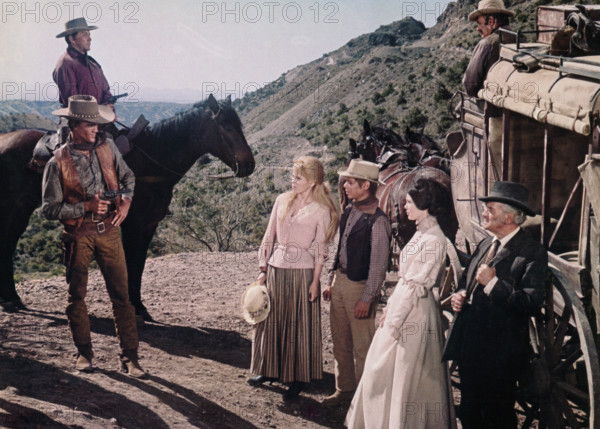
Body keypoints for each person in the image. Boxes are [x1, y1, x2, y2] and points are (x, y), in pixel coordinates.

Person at [41, 95, 146, 378]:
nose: (96, 130)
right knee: (77, 297)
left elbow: (127, 179)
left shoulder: (108, 147)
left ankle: (130, 358)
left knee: (123, 297)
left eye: (97, 125)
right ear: (74, 125)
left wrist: (124, 201)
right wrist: (84, 207)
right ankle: (84, 353)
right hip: (78, 236)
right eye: (90, 126)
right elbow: (49, 209)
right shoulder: (57, 162)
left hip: (110, 232)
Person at [345, 178, 456, 429]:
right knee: (383, 372)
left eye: (408, 202)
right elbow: (405, 282)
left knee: (403, 374)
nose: (404, 206)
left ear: (423, 204)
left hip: (414, 315)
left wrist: (393, 323)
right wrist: (389, 310)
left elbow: (414, 287)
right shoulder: (422, 231)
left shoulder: (434, 239)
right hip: (404, 306)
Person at [443, 181, 547, 428]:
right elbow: (465, 280)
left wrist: (494, 285)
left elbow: (531, 303)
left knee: (498, 417)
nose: (484, 213)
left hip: (502, 357)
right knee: (469, 413)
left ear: (509, 217)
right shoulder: (485, 244)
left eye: (491, 209)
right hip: (470, 349)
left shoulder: (531, 253)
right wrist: (460, 295)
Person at [248, 156, 339, 400]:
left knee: (297, 324)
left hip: (303, 273)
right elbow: (269, 236)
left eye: (298, 177)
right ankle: (268, 370)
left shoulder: (321, 210)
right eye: (292, 176)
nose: (293, 181)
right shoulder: (281, 200)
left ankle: (297, 377)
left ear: (311, 182)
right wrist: (262, 268)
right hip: (276, 268)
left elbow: (320, 249)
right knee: (270, 319)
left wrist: (315, 281)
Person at [322, 159, 391, 407]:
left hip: (359, 287)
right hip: (341, 282)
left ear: (366, 185)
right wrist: (331, 280)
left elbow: (379, 265)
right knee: (340, 341)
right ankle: (344, 390)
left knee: (363, 347)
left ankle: (365, 400)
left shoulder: (379, 221)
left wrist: (367, 297)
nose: (345, 186)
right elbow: (341, 248)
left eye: (350, 182)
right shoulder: (350, 210)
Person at [53, 17, 113, 107]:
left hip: (98, 119)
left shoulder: (94, 65)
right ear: (72, 39)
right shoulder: (66, 64)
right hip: (79, 120)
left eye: (89, 34)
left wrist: (109, 106)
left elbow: (106, 93)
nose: (90, 39)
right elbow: (73, 103)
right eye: (85, 34)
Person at [462, 0, 515, 97]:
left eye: (479, 23)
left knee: (459, 107)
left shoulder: (486, 44)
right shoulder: (521, 40)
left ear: (491, 21)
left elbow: (469, 84)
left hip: (491, 105)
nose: (477, 28)